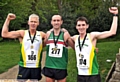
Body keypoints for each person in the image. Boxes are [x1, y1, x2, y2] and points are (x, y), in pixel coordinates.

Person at [71, 7, 118, 82]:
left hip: (93, 74)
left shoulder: (92, 36)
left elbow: (112, 32)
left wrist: (115, 15)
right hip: (80, 75)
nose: (81, 27)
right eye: (79, 25)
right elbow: (64, 38)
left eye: (83, 25)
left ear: (87, 26)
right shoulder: (75, 38)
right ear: (76, 27)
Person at [1, 13, 46, 81]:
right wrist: (8, 19)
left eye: (35, 22)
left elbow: (51, 40)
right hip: (24, 66)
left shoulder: (42, 35)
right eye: (31, 21)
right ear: (28, 22)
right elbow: (4, 34)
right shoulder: (22, 33)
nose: (33, 23)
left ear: (38, 23)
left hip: (36, 67)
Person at [42, 15, 74, 82]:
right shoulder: (48, 34)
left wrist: (69, 36)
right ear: (51, 22)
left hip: (61, 66)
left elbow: (75, 47)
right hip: (49, 65)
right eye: (54, 20)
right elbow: (41, 46)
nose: (56, 22)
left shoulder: (65, 35)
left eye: (58, 20)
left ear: (61, 22)